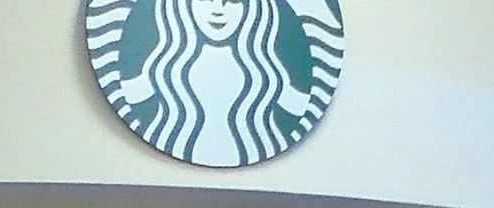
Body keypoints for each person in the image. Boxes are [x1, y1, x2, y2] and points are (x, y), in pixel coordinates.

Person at [106, 0, 336, 167]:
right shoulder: (164, 66)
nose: (218, 10)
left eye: (233, 2)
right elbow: (132, 94)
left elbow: (298, 106)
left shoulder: (266, 72)